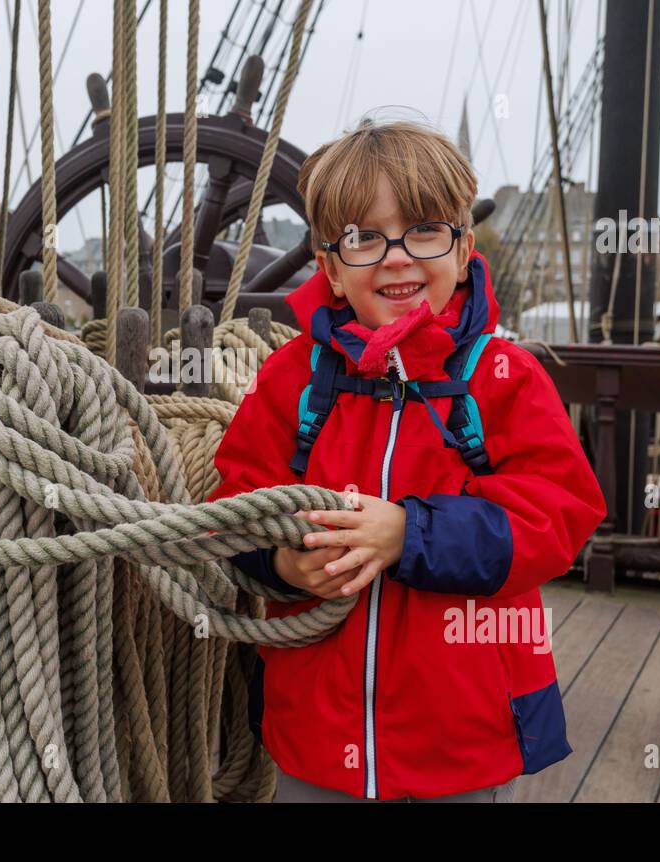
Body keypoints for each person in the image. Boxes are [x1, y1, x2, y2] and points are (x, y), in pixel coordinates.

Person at [205, 119, 607, 802]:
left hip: (462, 745)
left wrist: (407, 532)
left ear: (463, 246)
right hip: (316, 741)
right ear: (330, 264)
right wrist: (279, 564)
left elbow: (559, 515)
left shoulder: (504, 377)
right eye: (364, 238)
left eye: (423, 230)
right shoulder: (291, 380)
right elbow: (231, 508)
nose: (396, 258)